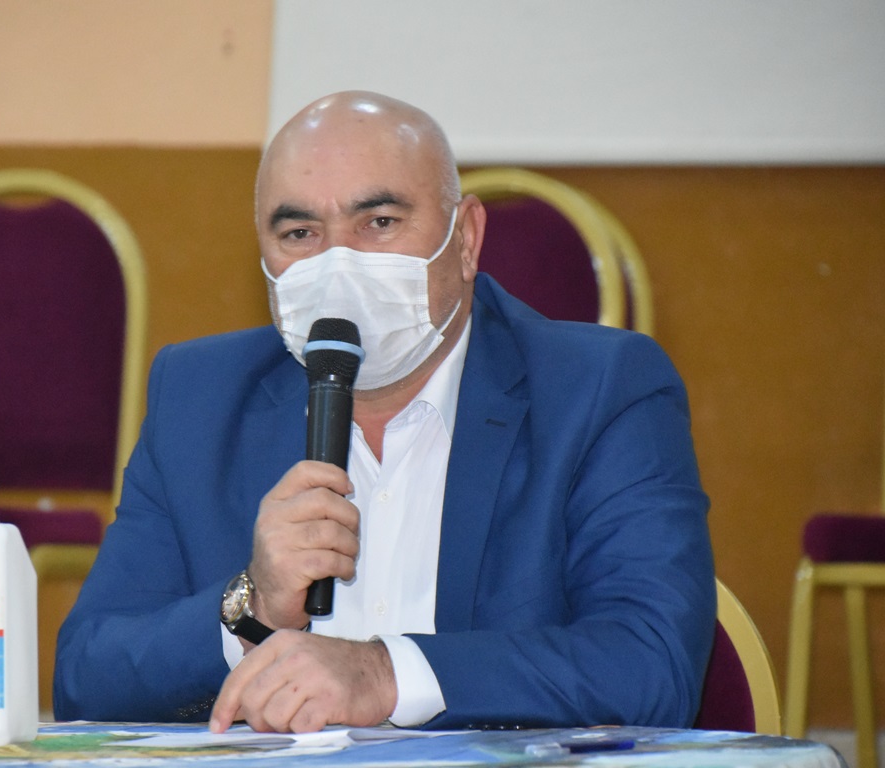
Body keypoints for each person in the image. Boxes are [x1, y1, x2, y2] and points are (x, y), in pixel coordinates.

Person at [53, 91, 715, 733]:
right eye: (300, 233)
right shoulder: (200, 397)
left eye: (380, 223)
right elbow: (85, 677)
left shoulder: (598, 389)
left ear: (466, 238)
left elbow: (650, 664)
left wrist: (384, 674)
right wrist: (252, 606)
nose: (337, 265)